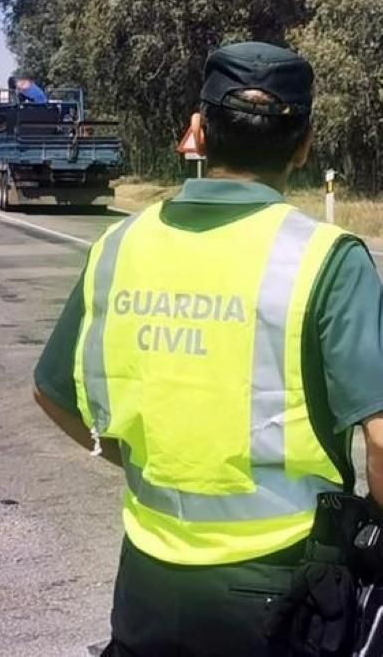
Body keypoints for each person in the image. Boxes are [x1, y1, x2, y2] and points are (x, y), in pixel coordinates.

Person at [33, 41, 383, 655]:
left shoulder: (119, 247)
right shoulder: (326, 258)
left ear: (197, 131)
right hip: (286, 592)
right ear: (304, 145)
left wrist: (145, 465)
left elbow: (51, 391)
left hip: (145, 582)